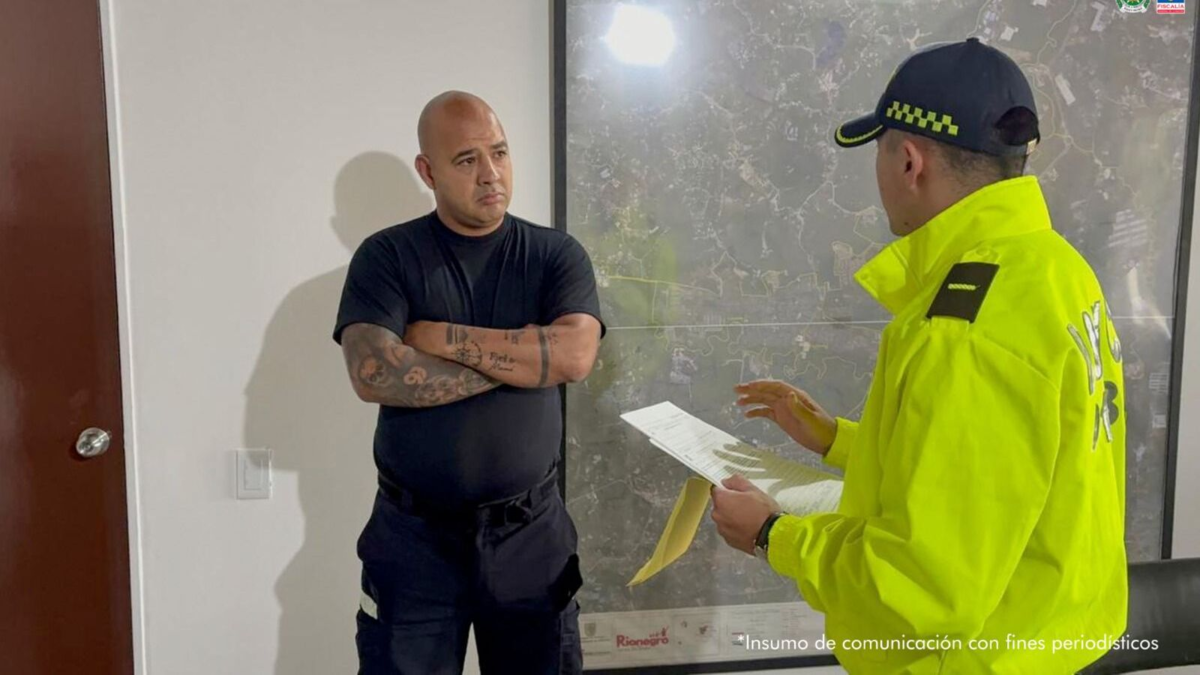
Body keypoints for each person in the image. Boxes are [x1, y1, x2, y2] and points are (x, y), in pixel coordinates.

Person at [710, 38, 1127, 674]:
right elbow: (1004, 467)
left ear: (909, 161)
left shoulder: (964, 329)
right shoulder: (1058, 270)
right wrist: (839, 441)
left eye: (878, 153)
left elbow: (920, 586)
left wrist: (772, 537)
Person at [333, 91, 604, 675]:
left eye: (500, 153)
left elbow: (577, 356)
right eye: (466, 160)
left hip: (531, 537)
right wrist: (528, 358)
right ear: (428, 171)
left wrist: (437, 338)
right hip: (413, 542)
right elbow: (374, 372)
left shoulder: (555, 256)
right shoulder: (387, 257)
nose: (491, 174)